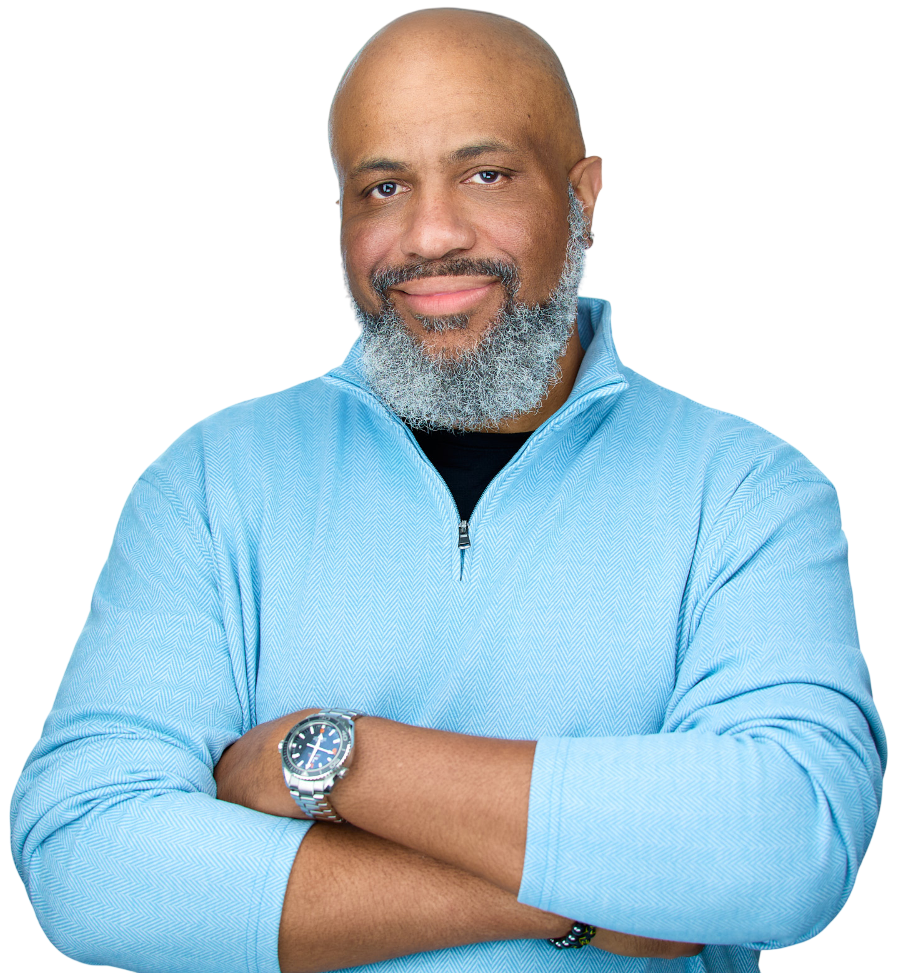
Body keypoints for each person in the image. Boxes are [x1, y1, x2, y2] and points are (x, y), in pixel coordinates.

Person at [9, 8, 886, 973]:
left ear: (581, 195)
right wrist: (576, 902)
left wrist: (332, 755)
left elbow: (790, 844)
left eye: (486, 174)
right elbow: (85, 861)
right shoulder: (212, 481)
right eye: (382, 187)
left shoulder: (749, 489)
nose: (428, 236)